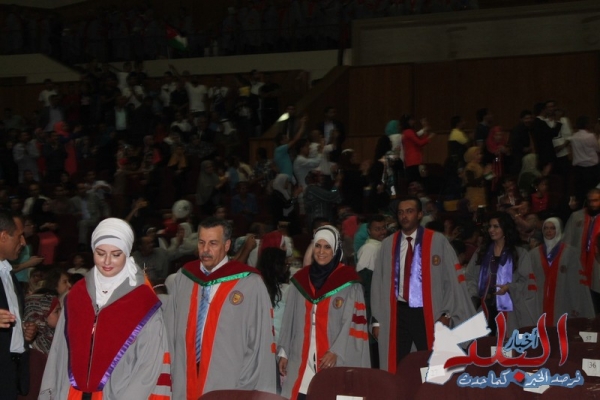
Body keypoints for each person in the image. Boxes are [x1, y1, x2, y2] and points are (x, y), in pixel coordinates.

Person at [39, 218, 171, 399]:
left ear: (127, 254)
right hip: (71, 392)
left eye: (116, 254)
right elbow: (59, 350)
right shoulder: (76, 296)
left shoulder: (144, 302)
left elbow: (149, 364)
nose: (107, 261)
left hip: (119, 392)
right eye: (100, 253)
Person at [166, 217, 276, 398]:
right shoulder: (184, 277)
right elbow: (170, 331)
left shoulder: (249, 283)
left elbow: (259, 343)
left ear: (227, 245)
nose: (205, 250)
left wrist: (245, 388)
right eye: (201, 243)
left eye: (213, 243)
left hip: (229, 380)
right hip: (185, 378)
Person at [371, 196, 475, 372]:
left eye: (409, 211)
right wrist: (376, 321)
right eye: (401, 212)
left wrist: (447, 313)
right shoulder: (388, 245)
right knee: (397, 364)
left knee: (432, 361)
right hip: (398, 312)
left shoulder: (437, 241)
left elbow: (451, 282)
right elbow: (377, 285)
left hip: (428, 311)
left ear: (420, 214)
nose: (404, 216)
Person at [278, 225, 370, 400]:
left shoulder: (349, 283)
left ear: (335, 250)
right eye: (318, 246)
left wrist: (336, 351)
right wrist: (284, 352)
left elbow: (352, 323)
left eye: (327, 247)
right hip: (301, 355)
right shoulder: (301, 280)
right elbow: (290, 319)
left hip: (335, 357)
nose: (321, 251)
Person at [466, 211, 540, 336]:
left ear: (505, 229)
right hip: (485, 307)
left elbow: (526, 281)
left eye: (496, 226)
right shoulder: (482, 253)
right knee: (485, 343)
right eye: (490, 226)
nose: (491, 230)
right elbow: (470, 276)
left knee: (506, 342)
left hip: (511, 310)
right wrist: (474, 293)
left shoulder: (519, 254)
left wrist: (509, 287)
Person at [0, 211, 37, 399]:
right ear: (3, 236)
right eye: (19, 236)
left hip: (10, 371)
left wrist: (22, 332)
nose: (23, 242)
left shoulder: (8, 274)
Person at [530, 218, 594, 324]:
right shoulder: (534, 254)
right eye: (546, 228)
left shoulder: (570, 253)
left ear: (558, 230)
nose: (548, 231)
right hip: (540, 302)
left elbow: (577, 283)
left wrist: (576, 306)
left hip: (563, 301)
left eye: (552, 228)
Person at [564, 188, 600, 313]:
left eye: (596, 200)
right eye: (590, 201)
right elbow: (567, 241)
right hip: (578, 264)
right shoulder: (576, 216)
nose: (592, 204)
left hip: (597, 266)